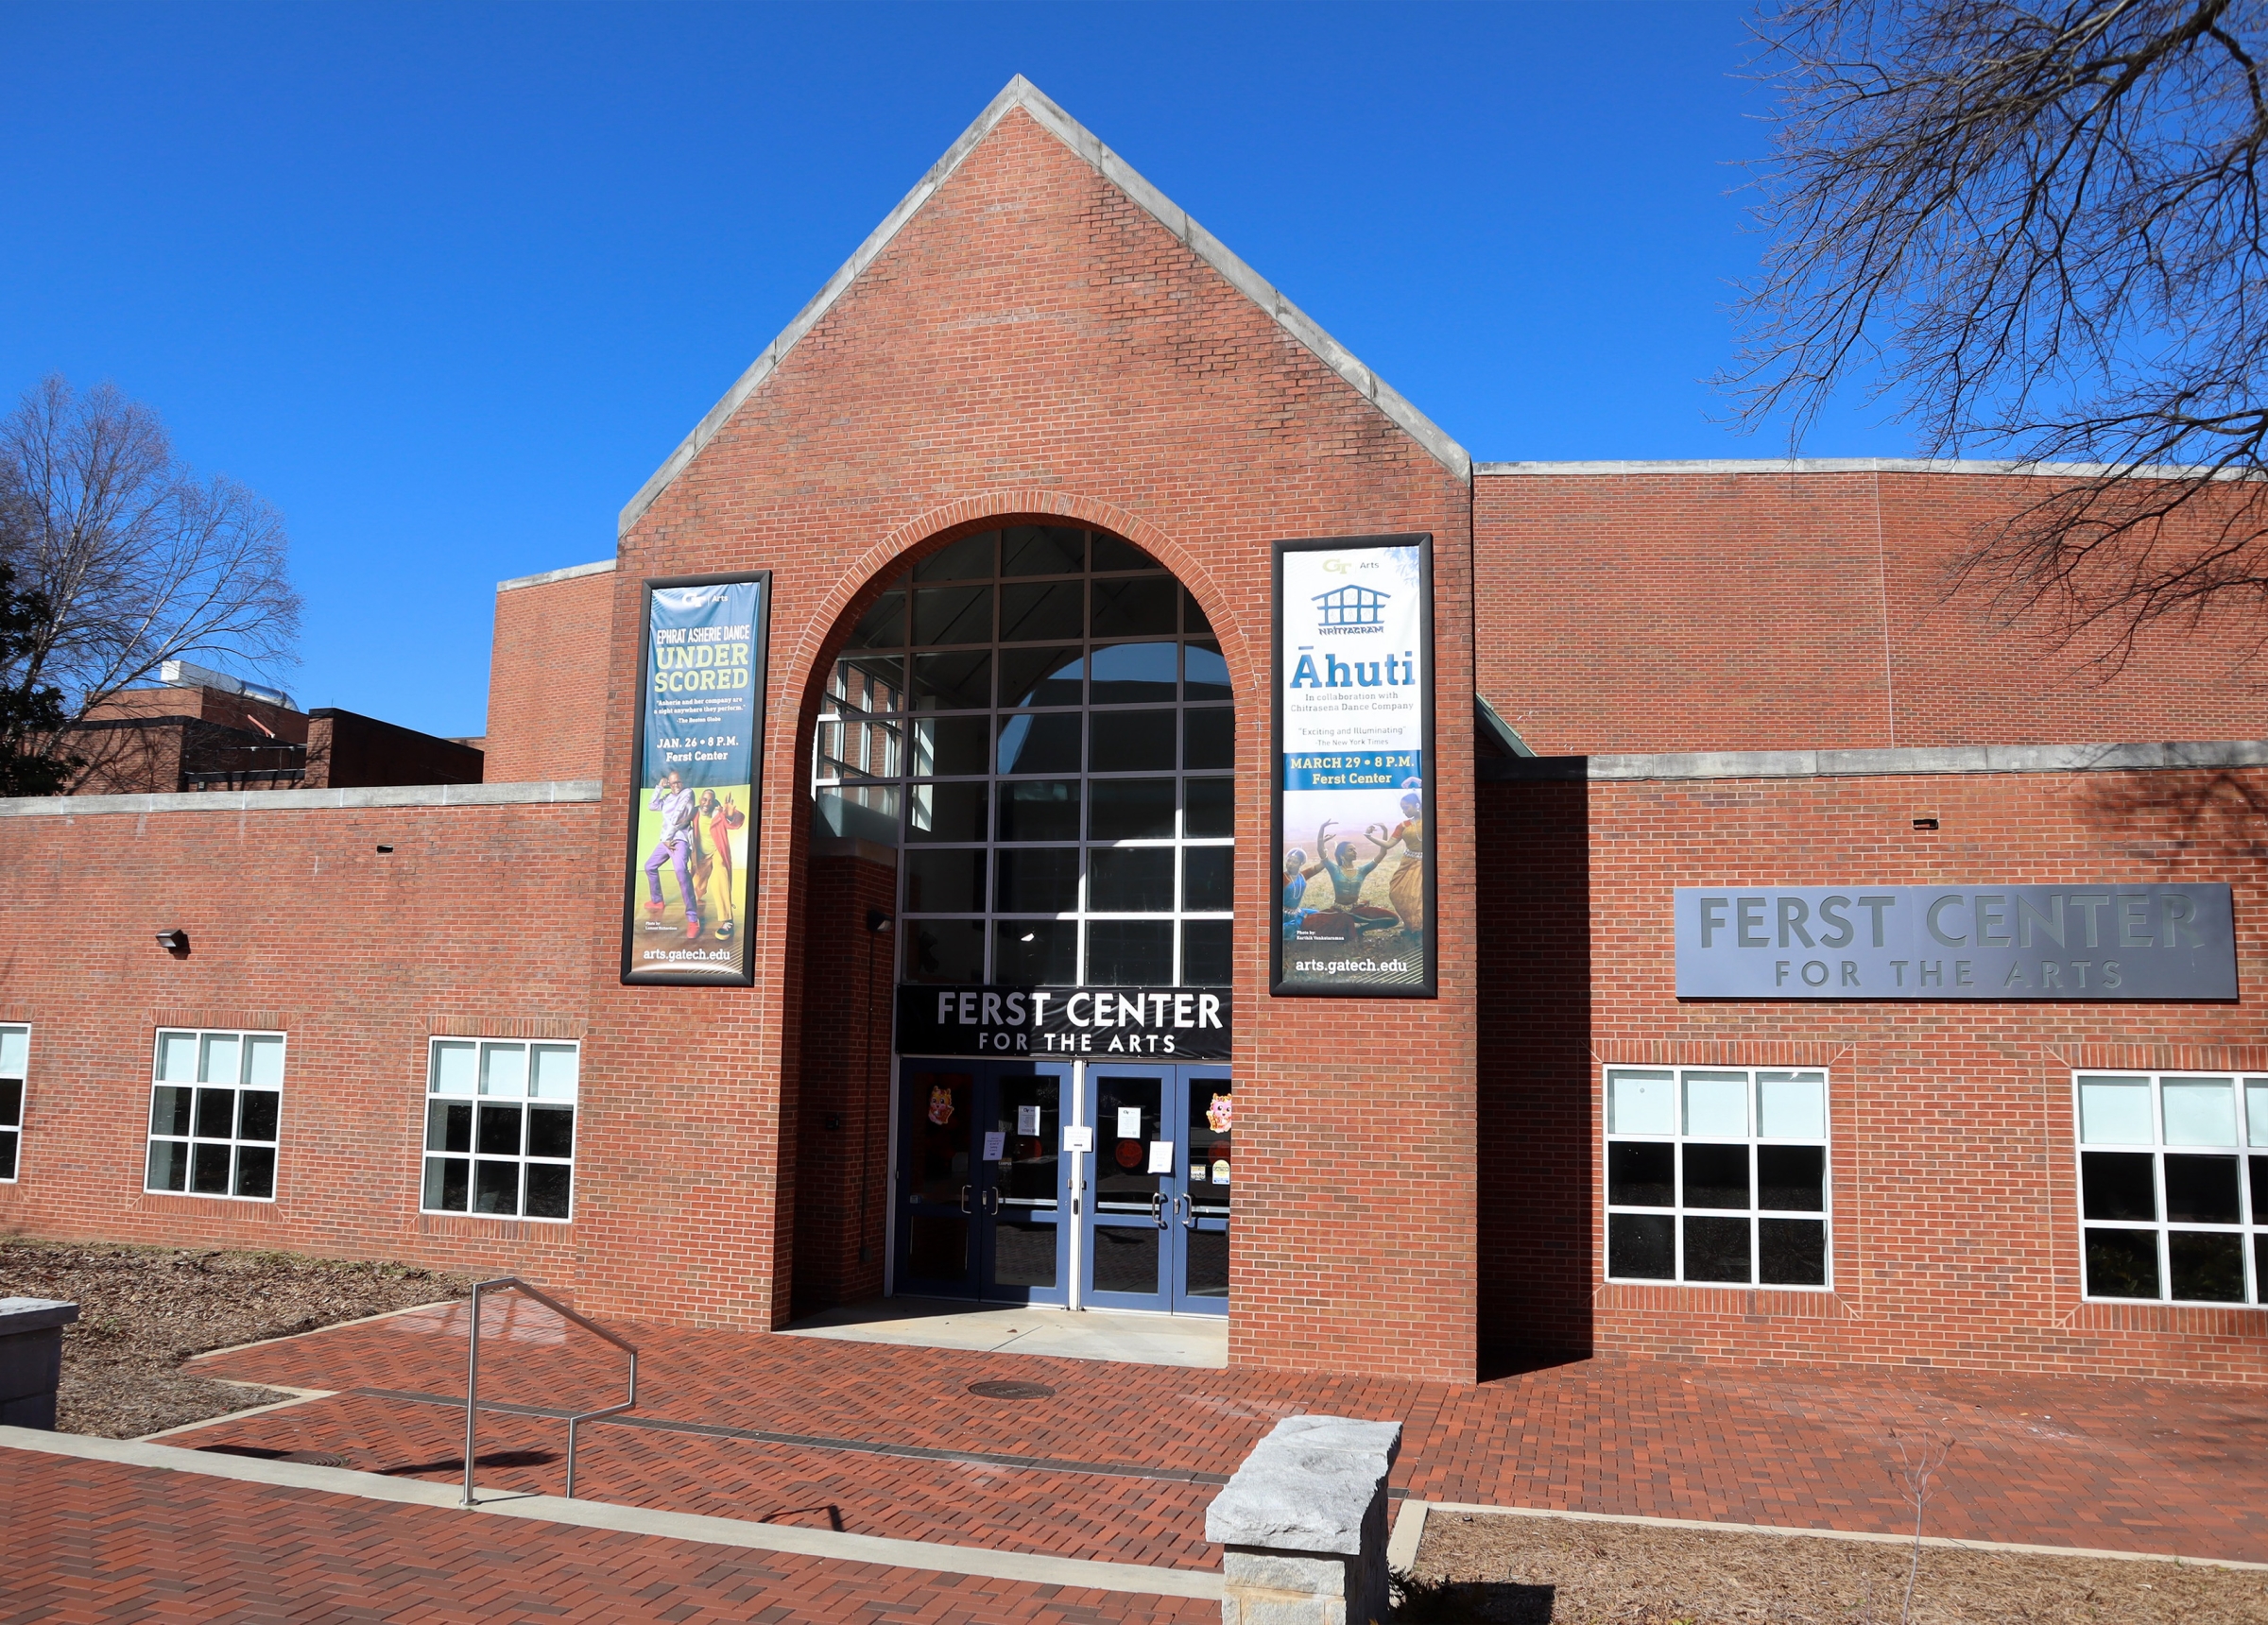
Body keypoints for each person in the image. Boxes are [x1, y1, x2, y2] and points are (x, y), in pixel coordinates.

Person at [642, 769, 702, 940]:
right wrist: (659, 788)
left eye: (678, 782)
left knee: (681, 872)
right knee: (649, 866)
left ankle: (693, 919)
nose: (676, 786)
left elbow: (678, 817)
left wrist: (666, 838)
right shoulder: (667, 797)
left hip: (679, 840)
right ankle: (657, 900)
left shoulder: (688, 793)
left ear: (683, 782)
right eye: (672, 783)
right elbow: (652, 806)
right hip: (666, 841)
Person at [1313, 819, 1398, 935]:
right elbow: (1320, 850)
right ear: (1342, 854)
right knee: (1310, 925)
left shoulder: (1362, 871)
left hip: (1356, 910)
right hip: (1337, 911)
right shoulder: (1334, 869)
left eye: (1355, 849)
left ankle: (1360, 929)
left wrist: (1385, 831)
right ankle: (1348, 927)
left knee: (1392, 918)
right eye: (1350, 850)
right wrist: (1322, 827)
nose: (1355, 852)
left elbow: (1382, 853)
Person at [1371, 783, 1427, 948]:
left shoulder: (1431, 817)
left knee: (1417, 896)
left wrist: (1414, 780)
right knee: (1397, 893)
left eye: (1406, 807)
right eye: (1402, 808)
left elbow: (1430, 790)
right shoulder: (1403, 825)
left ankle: (1419, 930)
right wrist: (1369, 836)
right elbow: (1389, 845)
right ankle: (1410, 925)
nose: (1404, 811)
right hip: (1408, 863)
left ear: (1417, 805)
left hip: (1426, 863)